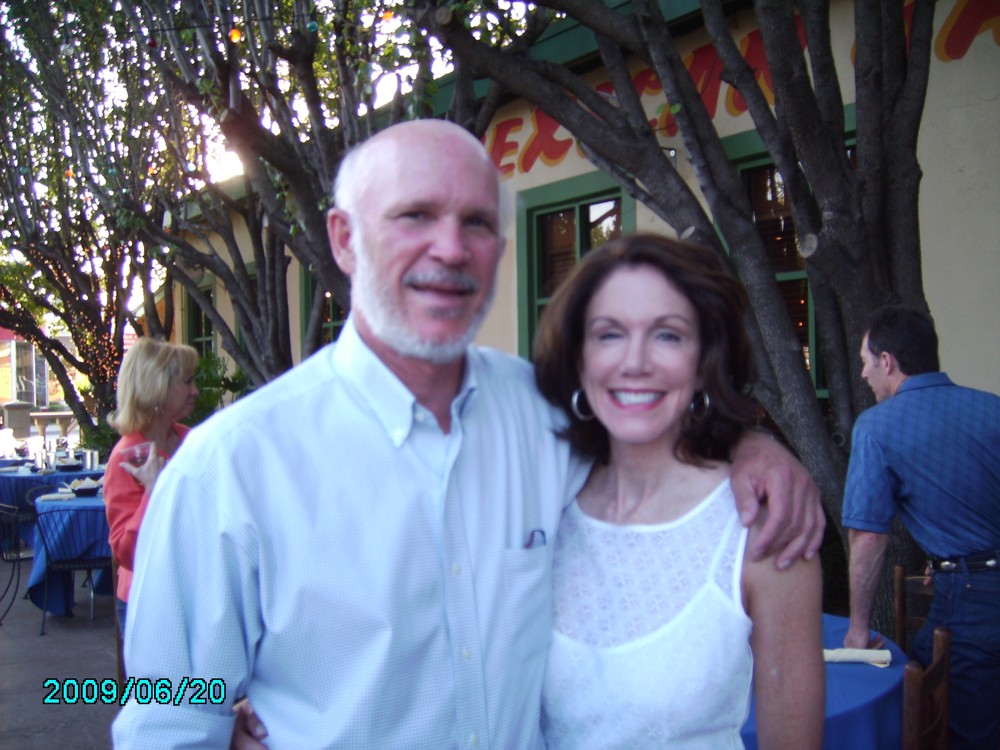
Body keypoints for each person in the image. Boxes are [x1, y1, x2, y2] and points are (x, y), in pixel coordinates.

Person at [114, 119, 824, 748]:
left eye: (477, 223)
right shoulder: (230, 469)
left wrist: (754, 449)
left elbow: (653, 433)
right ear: (344, 239)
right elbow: (167, 718)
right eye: (415, 215)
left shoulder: (549, 418)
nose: (450, 248)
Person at [533, 234, 824, 748]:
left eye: (668, 335)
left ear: (705, 360)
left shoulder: (761, 529)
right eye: (608, 334)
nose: (635, 362)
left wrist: (754, 441)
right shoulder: (538, 500)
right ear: (578, 358)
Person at [842, 304, 1000, 750]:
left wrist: (857, 630)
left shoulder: (877, 426)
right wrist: (953, 556)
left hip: (970, 606)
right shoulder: (992, 408)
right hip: (967, 587)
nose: (863, 374)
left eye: (865, 362)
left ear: (887, 361)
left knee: (957, 731)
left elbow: (868, 536)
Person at [103, 336, 199, 637]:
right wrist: (153, 492)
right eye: (187, 381)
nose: (196, 391)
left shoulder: (192, 440)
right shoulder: (126, 458)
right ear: (157, 387)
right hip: (151, 602)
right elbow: (127, 553)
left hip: (196, 595)